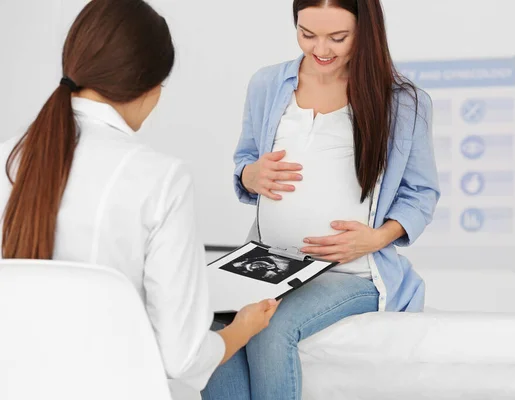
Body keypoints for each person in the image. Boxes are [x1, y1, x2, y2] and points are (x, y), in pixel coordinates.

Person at [0, 0, 278, 393]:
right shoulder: (161, 178)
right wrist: (243, 329)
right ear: (150, 87)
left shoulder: (7, 158)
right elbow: (182, 360)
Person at [202, 0, 440, 399]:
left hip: (350, 272)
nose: (321, 49)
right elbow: (245, 160)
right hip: (267, 261)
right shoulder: (267, 84)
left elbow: (421, 193)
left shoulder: (403, 102)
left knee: (272, 326)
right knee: (213, 322)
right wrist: (251, 173)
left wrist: (376, 238)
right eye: (307, 34)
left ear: (365, 30)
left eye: (338, 37)